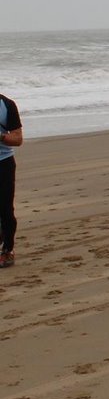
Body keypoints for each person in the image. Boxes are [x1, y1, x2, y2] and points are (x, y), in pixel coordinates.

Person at [0, 92, 23, 268]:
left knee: (5, 209)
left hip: (3, 163)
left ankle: (8, 250)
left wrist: (0, 136)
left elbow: (17, 139)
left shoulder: (7, 105)